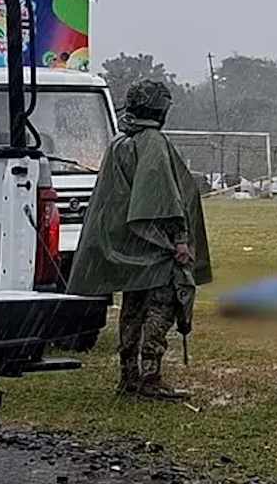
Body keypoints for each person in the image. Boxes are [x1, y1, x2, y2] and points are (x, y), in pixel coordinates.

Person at [66, 79, 212, 401]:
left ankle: (128, 379)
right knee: (161, 306)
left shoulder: (120, 144)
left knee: (132, 310)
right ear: (159, 109)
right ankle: (150, 378)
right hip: (157, 247)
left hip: (131, 248)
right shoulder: (152, 143)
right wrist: (180, 241)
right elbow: (164, 198)